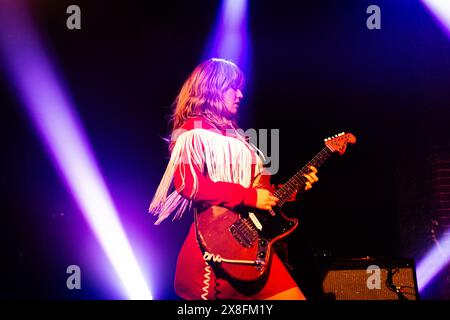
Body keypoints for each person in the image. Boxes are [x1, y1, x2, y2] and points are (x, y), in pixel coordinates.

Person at [149, 58, 319, 300]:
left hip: (251, 247)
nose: (240, 94)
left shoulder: (235, 135)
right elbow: (188, 184)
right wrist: (250, 197)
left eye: (240, 88)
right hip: (215, 251)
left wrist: (292, 190)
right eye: (233, 87)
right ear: (213, 89)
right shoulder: (192, 129)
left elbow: (259, 192)